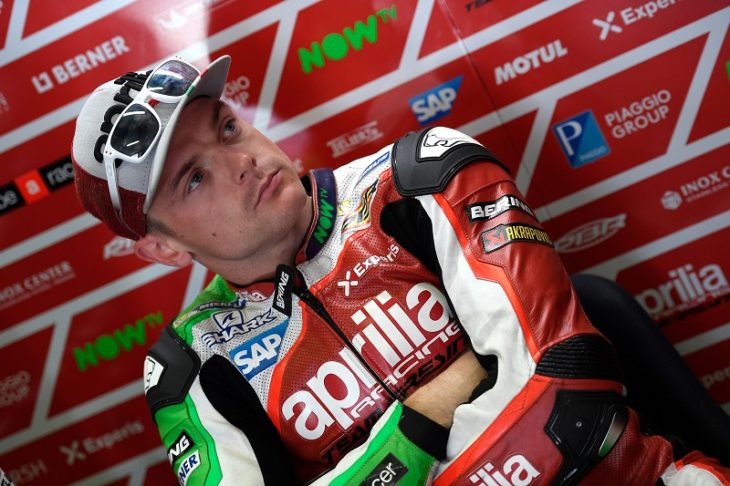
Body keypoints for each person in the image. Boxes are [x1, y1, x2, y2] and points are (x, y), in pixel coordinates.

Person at [71, 55, 729, 485]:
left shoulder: (422, 176)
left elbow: (569, 394)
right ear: (160, 247)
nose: (239, 160)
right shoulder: (190, 368)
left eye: (226, 128)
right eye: (193, 178)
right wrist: (425, 412)